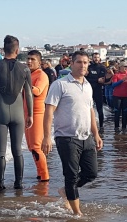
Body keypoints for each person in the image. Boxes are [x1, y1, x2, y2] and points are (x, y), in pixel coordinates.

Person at [42, 50, 103, 216]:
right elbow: (48, 111)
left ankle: (66, 191)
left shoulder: (88, 85)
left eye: (85, 62)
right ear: (71, 64)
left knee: (91, 173)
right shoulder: (60, 84)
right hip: (66, 137)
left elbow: (90, 111)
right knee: (71, 175)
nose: (82, 65)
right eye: (79, 62)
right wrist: (47, 137)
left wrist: (96, 133)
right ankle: (77, 213)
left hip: (86, 136)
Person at [0, 35, 33, 192]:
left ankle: (0, 184)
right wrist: (30, 114)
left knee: (0, 151)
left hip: (0, 112)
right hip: (18, 114)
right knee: (17, 150)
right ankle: (18, 183)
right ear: (17, 50)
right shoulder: (24, 69)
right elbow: (29, 94)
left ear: (3, 50)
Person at [24, 50, 50, 182]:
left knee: (36, 147)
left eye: (32, 59)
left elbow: (37, 91)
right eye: (28, 59)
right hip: (26, 114)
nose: (29, 61)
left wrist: (23, 83)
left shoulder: (42, 75)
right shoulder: (29, 74)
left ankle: (45, 176)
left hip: (38, 114)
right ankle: (40, 174)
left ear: (39, 62)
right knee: (31, 147)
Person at [86, 52, 106, 133]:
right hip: (89, 91)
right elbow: (86, 78)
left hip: (98, 90)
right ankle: (88, 125)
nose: (96, 59)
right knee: (87, 109)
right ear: (92, 58)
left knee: (99, 109)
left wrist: (98, 80)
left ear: (99, 58)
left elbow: (102, 80)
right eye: (94, 57)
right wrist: (96, 80)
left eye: (97, 57)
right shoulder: (89, 67)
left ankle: (101, 126)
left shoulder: (102, 67)